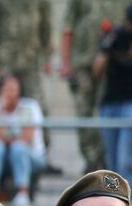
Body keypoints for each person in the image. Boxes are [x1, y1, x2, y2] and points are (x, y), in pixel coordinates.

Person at [62, 1, 126, 171]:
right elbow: (68, 28)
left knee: (107, 112)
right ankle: (91, 158)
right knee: (84, 111)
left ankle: (106, 157)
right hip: (82, 62)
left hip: (110, 65)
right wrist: (66, 64)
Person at [0, 73, 48, 206]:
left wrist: (7, 137)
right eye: (6, 89)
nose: (9, 93)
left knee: (18, 147)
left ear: (19, 90)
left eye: (13, 88)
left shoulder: (31, 107)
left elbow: (27, 138)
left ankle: (23, 193)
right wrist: (1, 111)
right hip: (5, 157)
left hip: (33, 157)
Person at [0, 0, 53, 108]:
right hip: (4, 62)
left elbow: (46, 25)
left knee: (37, 106)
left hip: (31, 61)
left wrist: (47, 58)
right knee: (2, 105)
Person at [95, 7, 132, 180]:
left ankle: (125, 202)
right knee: (113, 162)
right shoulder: (116, 36)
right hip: (110, 103)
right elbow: (97, 71)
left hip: (130, 104)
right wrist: (106, 48)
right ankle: (114, 199)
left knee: (125, 160)